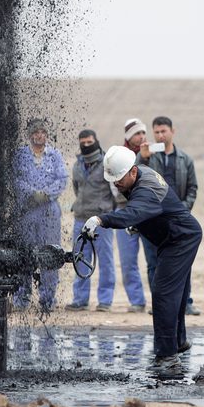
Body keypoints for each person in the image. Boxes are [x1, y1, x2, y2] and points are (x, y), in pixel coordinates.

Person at [82, 145, 202, 378]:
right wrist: (140, 224)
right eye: (113, 180)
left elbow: (134, 212)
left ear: (133, 172)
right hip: (175, 236)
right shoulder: (139, 176)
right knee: (175, 291)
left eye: (119, 179)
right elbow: (152, 210)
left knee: (163, 292)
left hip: (180, 239)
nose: (116, 184)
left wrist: (100, 219)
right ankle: (178, 342)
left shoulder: (145, 187)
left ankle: (167, 358)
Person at [65, 129, 146, 313]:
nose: (86, 145)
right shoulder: (77, 165)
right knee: (79, 258)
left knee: (106, 260)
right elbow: (76, 188)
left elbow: (115, 190)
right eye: (83, 142)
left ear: (96, 140)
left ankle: (105, 300)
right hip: (80, 218)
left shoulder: (106, 163)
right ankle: (80, 299)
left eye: (89, 141)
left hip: (102, 219)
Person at [136, 116, 201, 316]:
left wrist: (182, 210)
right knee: (154, 263)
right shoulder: (148, 157)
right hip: (153, 219)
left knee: (183, 262)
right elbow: (136, 178)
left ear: (173, 131)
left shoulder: (185, 159)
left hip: (178, 220)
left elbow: (192, 188)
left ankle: (186, 302)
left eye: (164, 131)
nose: (160, 135)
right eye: (156, 132)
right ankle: (159, 304)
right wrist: (143, 157)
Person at [13, 118, 68, 312]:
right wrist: (31, 194)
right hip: (27, 211)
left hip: (49, 212)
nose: (39, 135)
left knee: (49, 254)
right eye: (36, 132)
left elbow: (62, 179)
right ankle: (21, 297)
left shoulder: (55, 155)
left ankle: (47, 299)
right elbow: (15, 178)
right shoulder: (20, 155)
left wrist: (45, 195)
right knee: (24, 254)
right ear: (30, 135)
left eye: (43, 132)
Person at [109, 118, 149, 313]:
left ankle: (161, 299)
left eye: (143, 133)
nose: (141, 137)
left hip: (148, 213)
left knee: (155, 260)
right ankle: (137, 301)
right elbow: (115, 187)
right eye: (137, 133)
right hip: (125, 210)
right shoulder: (118, 157)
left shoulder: (151, 155)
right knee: (127, 260)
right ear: (128, 136)